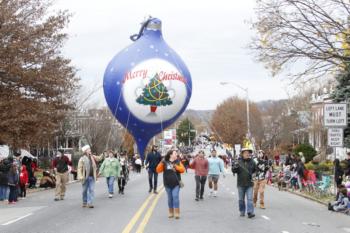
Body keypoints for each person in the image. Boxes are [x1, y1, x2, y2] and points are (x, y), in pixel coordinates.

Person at [156, 149, 185, 219]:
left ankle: (177, 213)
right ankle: (171, 212)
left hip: (176, 183)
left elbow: (183, 170)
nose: (176, 154)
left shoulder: (178, 161)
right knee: (170, 198)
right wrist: (161, 163)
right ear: (171, 155)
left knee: (175, 197)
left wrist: (175, 166)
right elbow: (158, 170)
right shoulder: (164, 162)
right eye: (175, 153)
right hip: (167, 183)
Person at [232, 148, 256, 218]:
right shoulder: (238, 161)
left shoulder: (252, 162)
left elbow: (256, 170)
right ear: (242, 154)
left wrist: (255, 174)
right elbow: (234, 171)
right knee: (241, 199)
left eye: (248, 153)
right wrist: (235, 167)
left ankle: (250, 212)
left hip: (249, 183)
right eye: (245, 153)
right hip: (241, 183)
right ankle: (242, 211)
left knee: (250, 199)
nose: (247, 154)